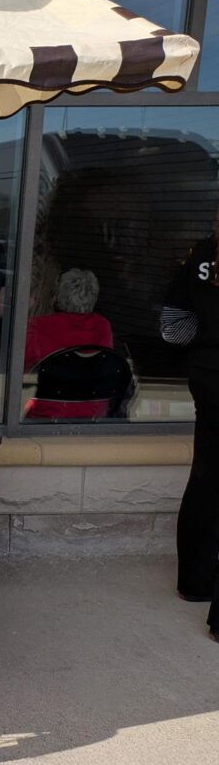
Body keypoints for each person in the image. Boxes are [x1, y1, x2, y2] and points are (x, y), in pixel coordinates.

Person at [161, 225, 219, 643]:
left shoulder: (204, 253)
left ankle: (194, 582)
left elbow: (172, 328)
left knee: (206, 474)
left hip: (207, 375)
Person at [24, 268, 115, 419]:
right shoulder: (103, 326)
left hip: (45, 415)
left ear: (58, 294)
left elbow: (19, 370)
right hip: (93, 415)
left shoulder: (37, 326)